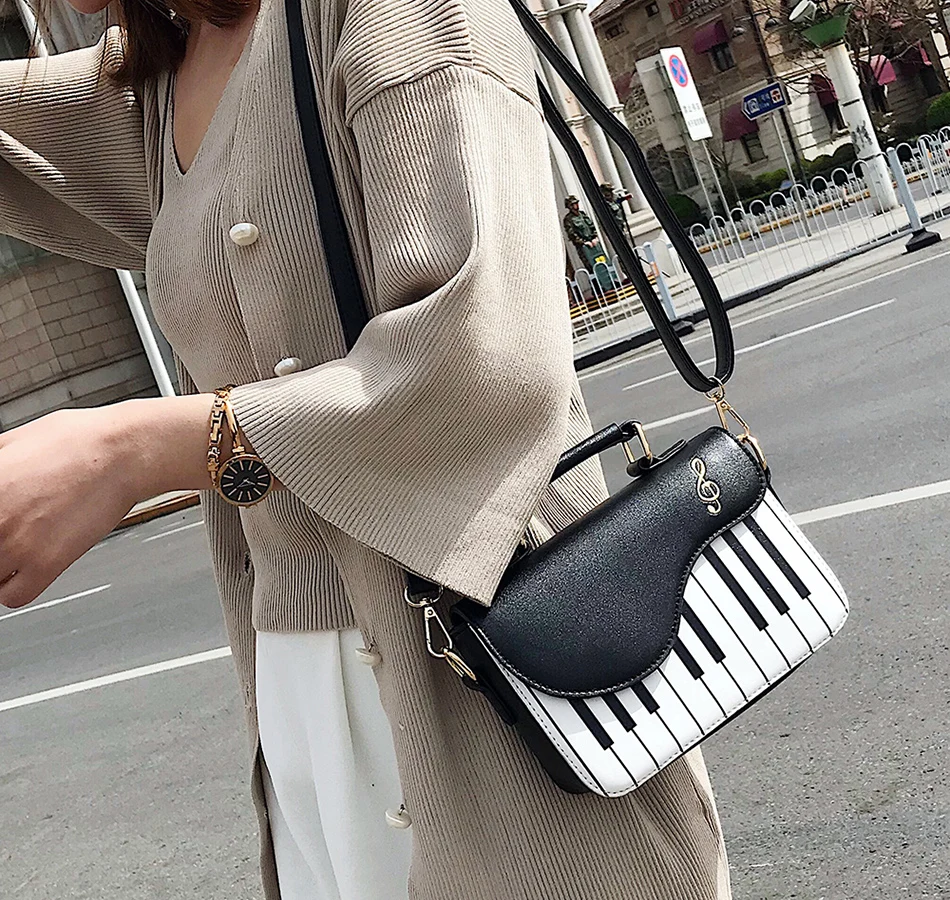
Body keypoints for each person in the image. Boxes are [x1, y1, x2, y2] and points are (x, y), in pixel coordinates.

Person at [0, 1, 732, 898]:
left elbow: (482, 361)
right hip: (298, 694)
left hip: (489, 662)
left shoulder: (388, 14)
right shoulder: (156, 81)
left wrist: (132, 451)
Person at [562, 194, 608, 271]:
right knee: (592, 266)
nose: (576, 205)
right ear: (569, 206)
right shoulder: (568, 219)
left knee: (603, 262)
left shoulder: (582, 214)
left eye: (576, 203)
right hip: (584, 247)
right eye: (573, 204)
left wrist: (595, 237)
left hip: (594, 243)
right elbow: (572, 235)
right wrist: (584, 242)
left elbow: (591, 226)